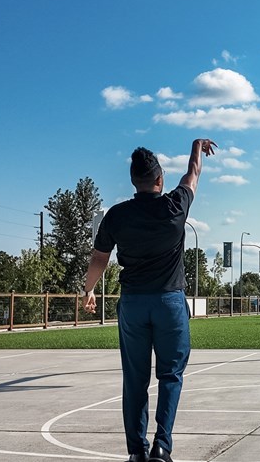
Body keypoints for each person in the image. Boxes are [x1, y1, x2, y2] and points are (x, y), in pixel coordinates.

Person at [82, 138, 216, 462]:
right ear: (160, 179)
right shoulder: (175, 205)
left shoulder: (117, 215)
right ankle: (162, 447)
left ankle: (136, 452)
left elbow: (99, 258)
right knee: (170, 375)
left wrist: (87, 290)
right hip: (169, 302)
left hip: (133, 304)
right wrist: (197, 146)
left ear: (133, 181)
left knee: (135, 380)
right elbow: (193, 173)